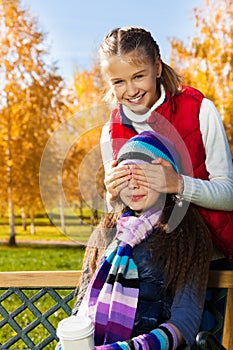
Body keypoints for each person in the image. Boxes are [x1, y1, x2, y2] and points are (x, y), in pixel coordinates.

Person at [99, 26, 233, 264]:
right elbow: (120, 213)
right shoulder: (110, 132)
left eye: (139, 76)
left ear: (157, 68)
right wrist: (112, 195)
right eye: (118, 81)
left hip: (213, 259)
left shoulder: (200, 109)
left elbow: (229, 195)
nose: (131, 91)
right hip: (150, 264)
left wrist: (178, 184)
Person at [72, 131, 213, 349]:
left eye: (143, 177)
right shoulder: (106, 231)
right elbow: (82, 303)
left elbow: (186, 321)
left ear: (165, 181)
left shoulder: (188, 234)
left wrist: (130, 348)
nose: (133, 186)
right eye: (125, 178)